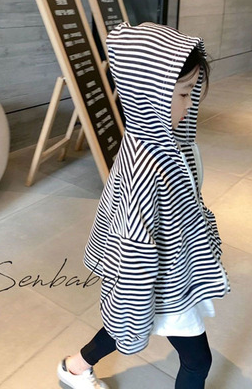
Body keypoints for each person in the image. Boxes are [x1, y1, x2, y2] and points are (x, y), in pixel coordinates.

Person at [57, 21, 230, 389]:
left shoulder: (167, 144)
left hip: (171, 268)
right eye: (182, 94)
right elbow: (133, 245)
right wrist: (133, 310)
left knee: (120, 326)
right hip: (162, 281)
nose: (189, 103)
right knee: (198, 361)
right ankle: (77, 364)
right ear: (149, 94)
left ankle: (74, 366)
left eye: (191, 92)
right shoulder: (146, 163)